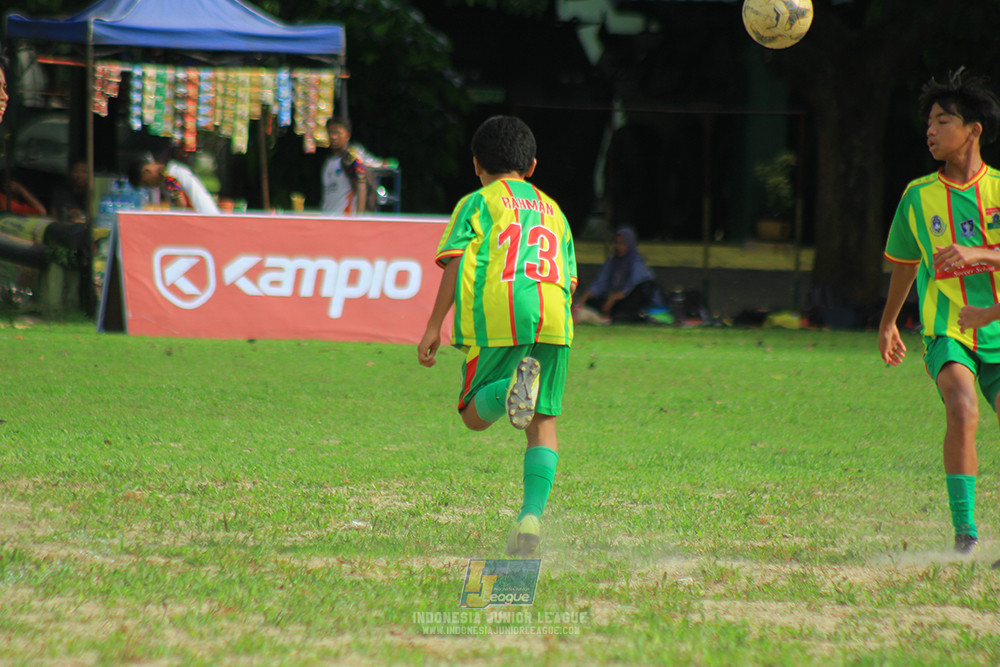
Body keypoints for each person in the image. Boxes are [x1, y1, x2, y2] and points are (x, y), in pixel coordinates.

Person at [417, 116, 577, 558]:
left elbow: (453, 261)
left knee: (472, 414)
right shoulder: (555, 210)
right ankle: (531, 518)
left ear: (476, 165)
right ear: (532, 166)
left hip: (503, 314)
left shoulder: (477, 202)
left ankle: (507, 389)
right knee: (543, 421)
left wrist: (434, 325)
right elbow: (571, 277)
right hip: (554, 317)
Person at [878, 68, 1000, 559]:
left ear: (974, 130)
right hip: (948, 327)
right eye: (928, 121)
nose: (930, 130)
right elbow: (906, 265)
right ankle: (966, 536)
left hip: (995, 319)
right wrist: (888, 321)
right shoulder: (917, 196)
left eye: (943, 120)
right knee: (962, 407)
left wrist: (981, 256)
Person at [577, 227, 662, 323]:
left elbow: (632, 285)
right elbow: (601, 282)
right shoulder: (613, 260)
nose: (618, 246)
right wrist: (586, 297)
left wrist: (612, 299)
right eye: (617, 243)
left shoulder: (636, 261)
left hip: (633, 298)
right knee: (592, 302)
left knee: (622, 312)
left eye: (622, 243)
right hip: (618, 300)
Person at [127, 151, 220, 214]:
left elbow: (181, 205)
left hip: (204, 217)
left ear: (147, 172)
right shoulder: (175, 168)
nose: (151, 185)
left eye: (147, 183)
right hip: (210, 215)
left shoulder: (169, 177)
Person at [320, 117, 368, 215]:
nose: (334, 137)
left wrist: (359, 218)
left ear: (347, 136)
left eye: (338, 133)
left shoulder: (350, 159)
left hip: (344, 219)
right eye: (331, 133)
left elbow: (361, 185)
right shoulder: (328, 162)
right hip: (328, 218)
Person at [49, 158, 89, 223]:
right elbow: (54, 212)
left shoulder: (93, 194)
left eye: (84, 172)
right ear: (70, 173)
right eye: (76, 171)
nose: (80, 175)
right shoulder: (61, 192)